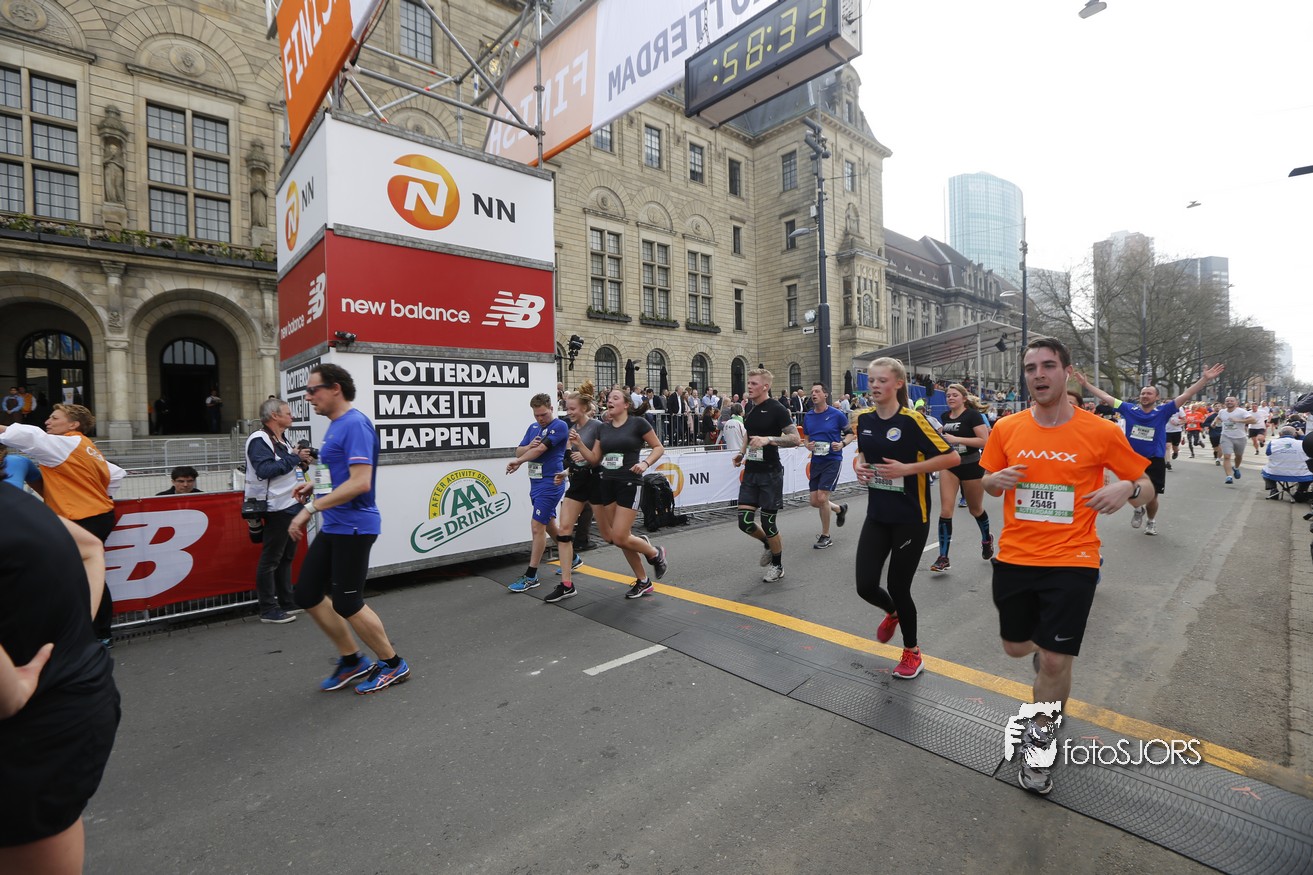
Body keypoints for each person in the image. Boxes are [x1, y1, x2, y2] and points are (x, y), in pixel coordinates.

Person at [981, 338, 1152, 795]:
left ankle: (1039, 747)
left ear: (1066, 371)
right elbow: (988, 483)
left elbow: (1146, 484)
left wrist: (1127, 489)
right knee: (1016, 648)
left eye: (1048, 366)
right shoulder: (1006, 428)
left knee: (1056, 660)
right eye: (1030, 368)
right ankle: (1044, 655)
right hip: (1016, 556)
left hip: (1074, 557)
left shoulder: (1101, 431)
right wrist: (993, 480)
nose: (1038, 374)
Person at [0, 484, 121, 875]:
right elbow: (90, 548)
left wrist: (10, 690)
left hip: (33, 725)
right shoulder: (16, 501)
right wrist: (72, 636)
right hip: (70, 698)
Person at [286, 364, 410, 694]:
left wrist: (308, 510)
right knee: (307, 593)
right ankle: (353, 660)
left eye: (313, 390)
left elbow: (360, 482)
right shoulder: (335, 425)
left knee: (347, 601)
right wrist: (313, 486)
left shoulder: (355, 424)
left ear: (335, 388)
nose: (308, 397)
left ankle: (393, 664)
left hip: (355, 526)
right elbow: (337, 473)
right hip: (335, 525)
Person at [853, 357, 957, 680]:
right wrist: (858, 465)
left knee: (898, 586)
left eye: (882, 380)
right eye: (871, 380)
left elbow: (951, 457)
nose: (874, 386)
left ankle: (912, 652)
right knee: (865, 586)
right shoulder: (864, 419)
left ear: (898, 384)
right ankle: (893, 613)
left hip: (911, 517)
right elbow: (863, 452)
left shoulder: (913, 421)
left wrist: (908, 469)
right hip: (877, 515)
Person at [0, 404, 125, 646]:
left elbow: (29, 436)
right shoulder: (85, 446)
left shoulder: (64, 444)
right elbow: (116, 474)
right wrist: (94, 494)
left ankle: (96, 634)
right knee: (87, 573)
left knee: (81, 576)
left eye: (54, 417)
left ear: (73, 424)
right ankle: (98, 633)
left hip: (83, 517)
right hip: (98, 514)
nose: (48, 421)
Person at [1074, 364, 1222, 534]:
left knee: (1152, 496)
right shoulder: (1129, 409)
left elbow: (1186, 394)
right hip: (1132, 459)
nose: (1145, 396)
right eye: (1143, 393)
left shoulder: (1163, 411)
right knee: (1130, 490)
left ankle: (1151, 521)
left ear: (1157, 397)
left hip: (1154, 458)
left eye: (1149, 393)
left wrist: (1204, 379)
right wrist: (1086, 384)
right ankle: (1138, 509)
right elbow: (1106, 396)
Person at [574, 388, 669, 597]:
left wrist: (645, 463)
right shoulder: (603, 429)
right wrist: (579, 445)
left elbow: (658, 447)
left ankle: (655, 552)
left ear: (626, 404)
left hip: (630, 482)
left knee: (619, 536)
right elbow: (595, 459)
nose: (610, 400)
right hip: (607, 483)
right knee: (621, 538)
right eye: (608, 398)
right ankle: (643, 580)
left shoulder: (638, 424)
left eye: (615, 398)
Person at [245, 398, 314, 624]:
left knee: (286, 557)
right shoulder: (259, 439)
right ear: (274, 416)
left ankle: (286, 601)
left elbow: (286, 467)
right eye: (288, 413)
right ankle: (268, 609)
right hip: (275, 507)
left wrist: (302, 462)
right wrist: (295, 457)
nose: (292, 416)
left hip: (290, 505)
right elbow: (265, 470)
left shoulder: (281, 439)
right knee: (271, 559)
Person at [734, 368, 800, 582]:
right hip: (751, 472)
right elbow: (749, 432)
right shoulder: (750, 407)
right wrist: (741, 453)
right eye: (749, 383)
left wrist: (769, 439)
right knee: (744, 522)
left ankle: (777, 565)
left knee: (768, 523)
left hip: (770, 473)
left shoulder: (777, 409)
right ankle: (767, 544)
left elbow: (795, 439)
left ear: (765, 386)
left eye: (754, 383)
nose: (749, 386)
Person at [544, 385, 607, 603]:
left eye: (572, 408)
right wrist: (565, 472)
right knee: (564, 531)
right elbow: (574, 460)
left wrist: (580, 446)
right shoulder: (572, 428)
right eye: (567, 407)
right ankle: (567, 585)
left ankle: (648, 553)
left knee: (612, 536)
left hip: (596, 482)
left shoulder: (597, 427)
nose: (568, 411)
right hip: (578, 482)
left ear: (584, 408)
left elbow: (596, 460)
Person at [506, 394, 570, 593]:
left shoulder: (559, 426)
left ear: (551, 408)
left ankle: (531, 575)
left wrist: (519, 461)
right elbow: (519, 450)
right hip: (535, 483)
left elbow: (541, 449)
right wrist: (527, 448)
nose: (540, 419)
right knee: (549, 524)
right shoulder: (533, 427)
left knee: (536, 526)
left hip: (552, 482)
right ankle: (573, 558)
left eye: (543, 414)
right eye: (537, 415)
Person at [930, 383, 994, 572]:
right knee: (945, 511)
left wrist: (956, 439)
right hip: (950, 466)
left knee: (975, 509)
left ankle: (986, 539)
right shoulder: (944, 417)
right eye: (948, 395)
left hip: (971, 466)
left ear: (964, 398)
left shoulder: (972, 416)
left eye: (954, 395)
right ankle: (943, 557)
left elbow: (984, 441)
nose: (950, 398)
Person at [802, 382, 851, 550]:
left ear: (825, 395)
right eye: (812, 391)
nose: (813, 394)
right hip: (816, 461)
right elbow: (806, 437)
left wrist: (842, 443)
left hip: (832, 460)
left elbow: (850, 434)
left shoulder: (837, 414)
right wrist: (807, 445)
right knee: (814, 501)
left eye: (817, 391)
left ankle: (826, 536)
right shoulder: (808, 416)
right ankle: (839, 509)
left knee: (822, 498)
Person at [1262, 426, 1311, 502]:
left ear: (1279, 434)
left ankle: (1273, 489)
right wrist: (1302, 436)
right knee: (1310, 474)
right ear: (1295, 434)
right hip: (1300, 475)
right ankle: (1300, 492)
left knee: (1265, 470)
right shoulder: (1302, 443)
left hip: (1275, 474)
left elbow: (1268, 453)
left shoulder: (1273, 443)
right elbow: (1310, 449)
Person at [1215, 396, 1256, 485]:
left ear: (1236, 402)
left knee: (1238, 456)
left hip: (1240, 437)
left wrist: (1238, 420)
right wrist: (1214, 423)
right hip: (1226, 436)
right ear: (1225, 403)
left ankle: (1236, 468)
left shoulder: (1241, 411)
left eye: (1232, 401)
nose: (1229, 402)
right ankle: (1229, 476)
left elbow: (1253, 420)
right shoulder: (1222, 411)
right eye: (1227, 401)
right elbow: (1218, 417)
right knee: (1227, 456)